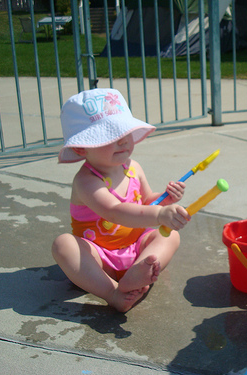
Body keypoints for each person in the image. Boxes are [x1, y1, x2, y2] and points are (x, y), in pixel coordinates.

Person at [52, 88, 191, 312]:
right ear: (81, 147)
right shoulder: (86, 181)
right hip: (99, 256)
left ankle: (141, 268)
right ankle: (112, 292)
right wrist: (158, 215)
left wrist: (165, 200)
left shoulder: (133, 167)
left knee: (170, 235)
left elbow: (148, 201)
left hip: (137, 247)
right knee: (63, 245)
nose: (123, 142)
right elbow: (115, 211)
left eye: (125, 132)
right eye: (110, 136)